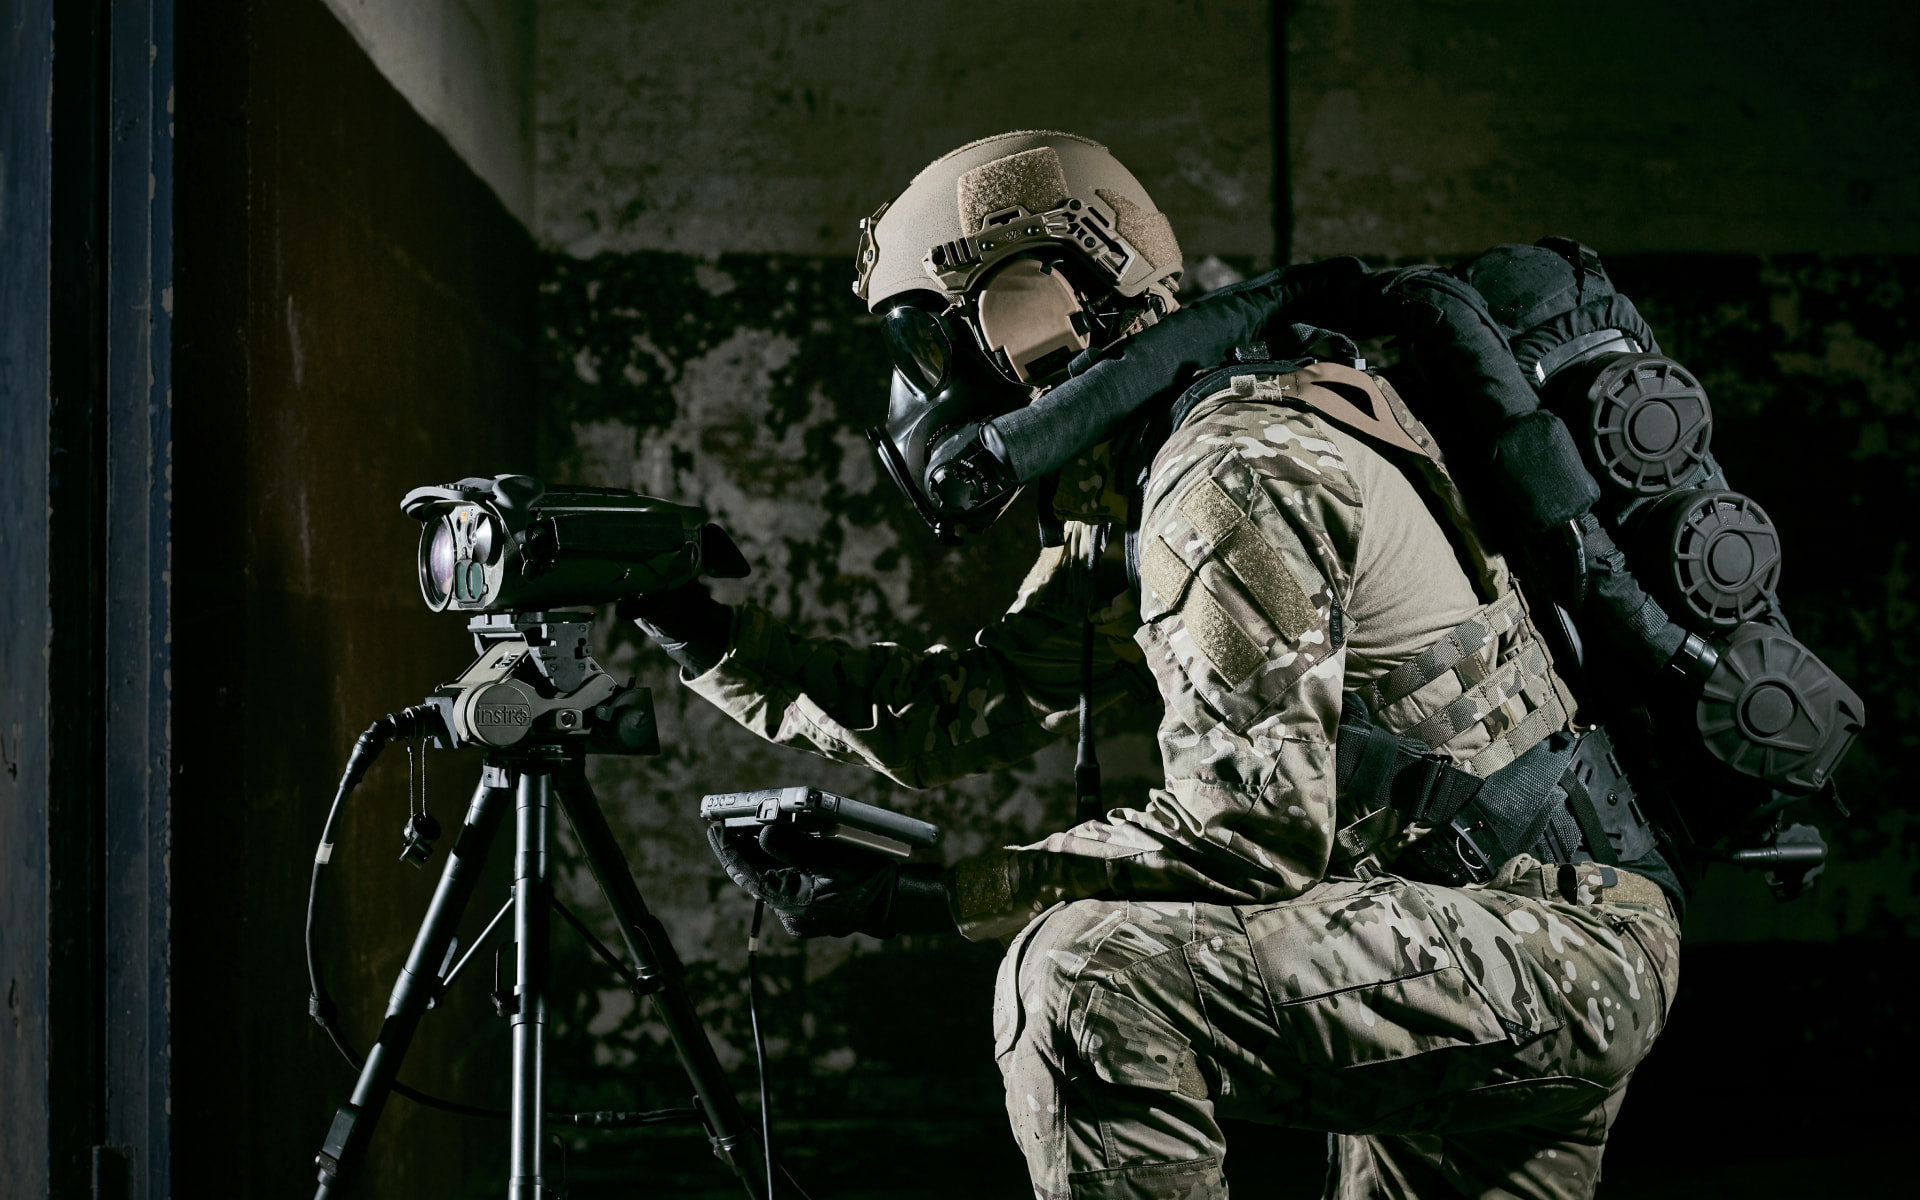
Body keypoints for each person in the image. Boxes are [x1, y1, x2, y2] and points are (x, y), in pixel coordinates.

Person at [624, 131, 1682, 1200]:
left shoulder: (1233, 471)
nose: (923, 395)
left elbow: (1245, 833)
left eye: (928, 350)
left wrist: (937, 898)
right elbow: (954, 712)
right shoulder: (1182, 472)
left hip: (1537, 946)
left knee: (1082, 981)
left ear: (1033, 303)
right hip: (1504, 930)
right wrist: (697, 633)